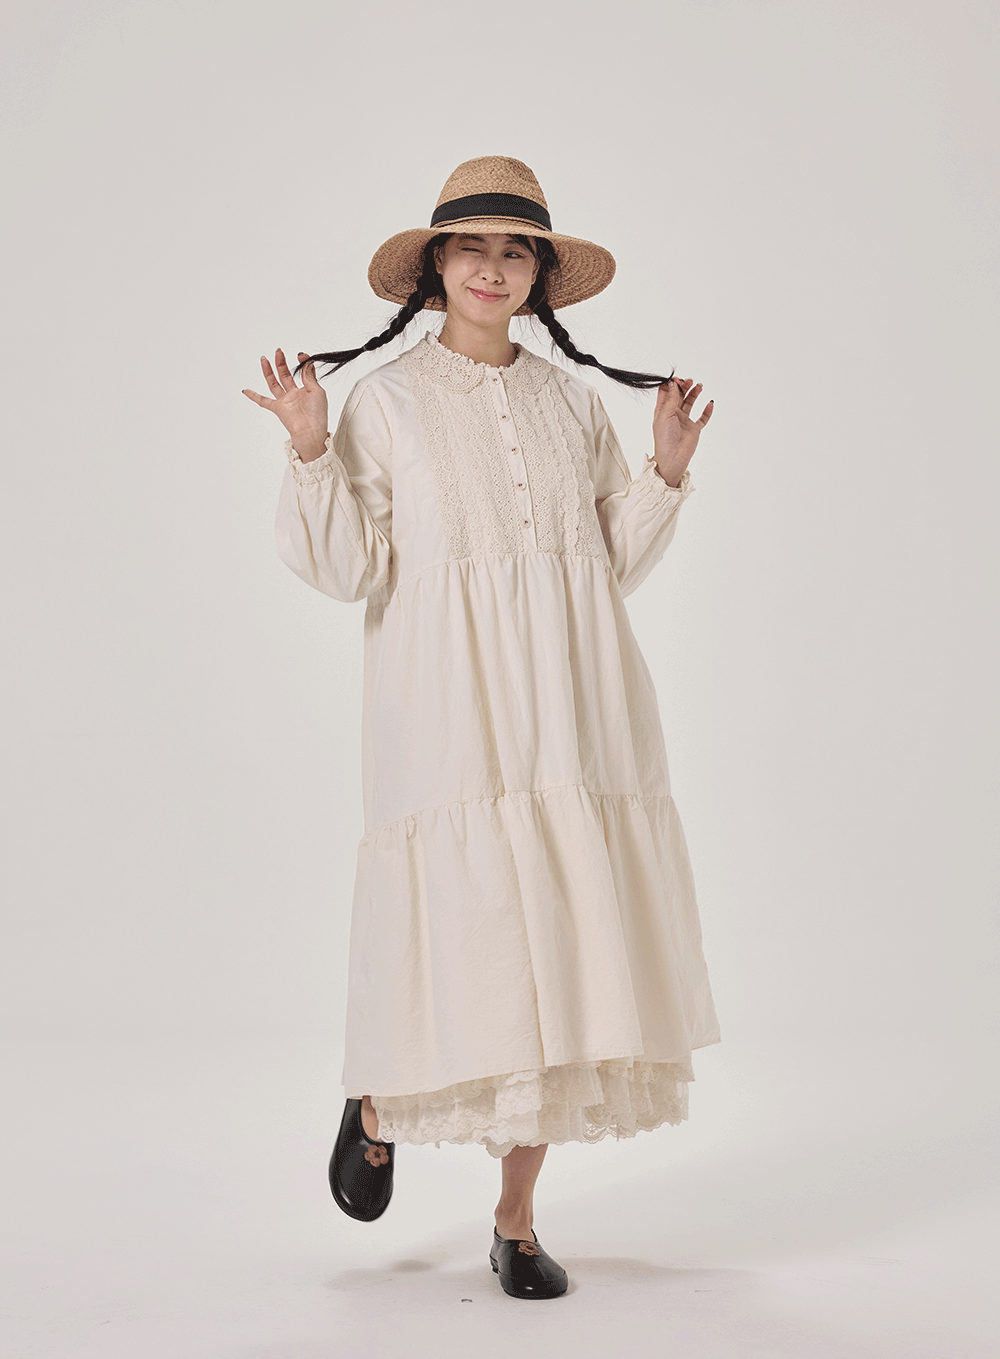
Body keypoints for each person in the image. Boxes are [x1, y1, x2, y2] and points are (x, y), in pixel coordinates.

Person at [242, 155, 721, 1301]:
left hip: (575, 699)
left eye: (516, 252)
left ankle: (515, 1220)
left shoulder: (569, 402)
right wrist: (309, 446)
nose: (493, 270)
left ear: (540, 276)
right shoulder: (388, 402)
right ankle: (379, 1099)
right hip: (446, 700)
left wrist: (661, 473)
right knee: (476, 927)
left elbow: (599, 567)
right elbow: (349, 567)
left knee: (563, 938)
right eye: (473, 248)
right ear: (436, 269)